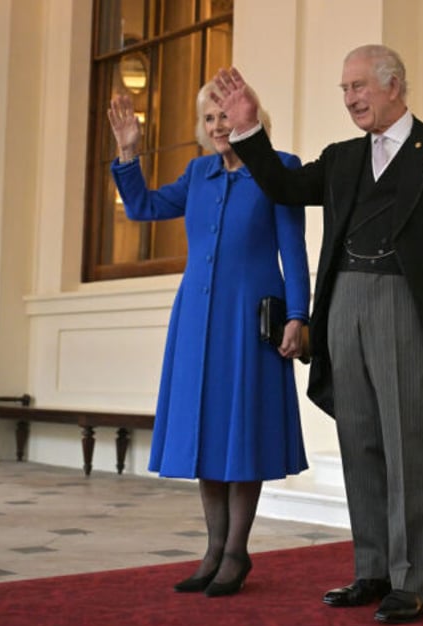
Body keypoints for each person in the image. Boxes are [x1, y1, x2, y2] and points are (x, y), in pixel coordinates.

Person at [212, 44, 423, 623]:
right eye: (344, 90)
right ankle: (373, 569)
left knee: (405, 444)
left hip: (407, 307)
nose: (350, 99)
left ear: (394, 85)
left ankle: (413, 579)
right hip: (343, 307)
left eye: (359, 86)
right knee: (359, 440)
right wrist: (247, 130)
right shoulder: (340, 158)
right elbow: (285, 189)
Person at [107, 82, 310, 596]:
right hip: (198, 320)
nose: (219, 127)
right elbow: (144, 208)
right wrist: (129, 152)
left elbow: (295, 249)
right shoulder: (198, 173)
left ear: (249, 115)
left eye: (226, 116)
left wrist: (299, 315)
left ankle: (237, 552)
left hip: (250, 321)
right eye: (211, 119)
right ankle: (213, 549)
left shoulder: (278, 167)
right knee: (209, 431)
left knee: (243, 431)